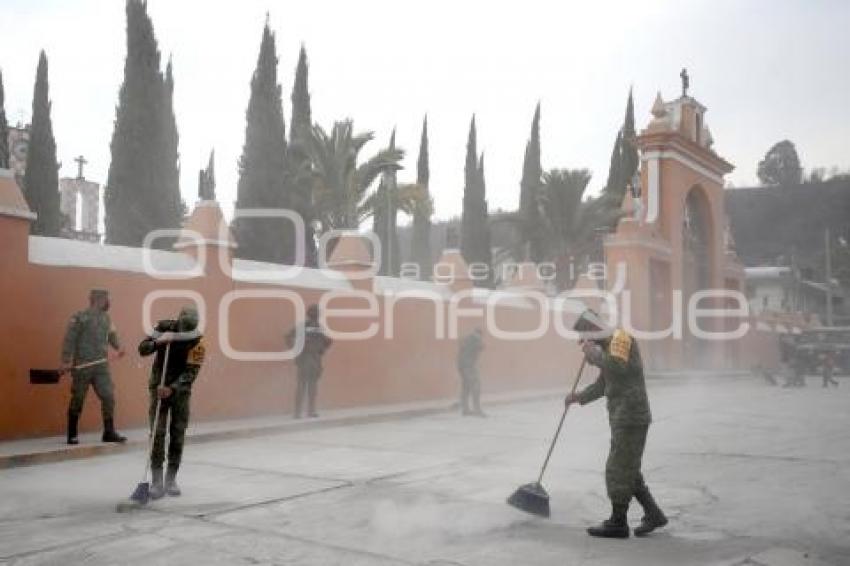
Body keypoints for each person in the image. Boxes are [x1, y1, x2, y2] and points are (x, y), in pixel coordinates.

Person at [565, 310, 667, 538]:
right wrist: (578, 397)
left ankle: (618, 522)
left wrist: (594, 355)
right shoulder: (607, 346)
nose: (586, 342)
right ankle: (654, 514)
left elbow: (618, 367)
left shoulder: (620, 339)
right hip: (622, 417)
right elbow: (603, 384)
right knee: (628, 470)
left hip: (631, 416)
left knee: (617, 469)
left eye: (586, 337)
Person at [138, 306, 205, 499]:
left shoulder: (198, 340)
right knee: (158, 433)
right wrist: (159, 342)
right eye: (183, 328)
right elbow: (142, 349)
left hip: (180, 392)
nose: (185, 332)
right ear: (178, 321)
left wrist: (173, 388)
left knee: (177, 433)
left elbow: (191, 372)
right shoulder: (163, 326)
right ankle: (157, 481)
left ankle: (171, 479)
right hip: (158, 387)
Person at [60, 289, 127, 445]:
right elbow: (69, 339)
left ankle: (109, 432)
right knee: (78, 398)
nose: (108, 302)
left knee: (109, 396)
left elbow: (112, 336)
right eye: (106, 299)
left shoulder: (106, 319)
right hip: (83, 365)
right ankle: (72, 434)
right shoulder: (79, 318)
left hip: (101, 366)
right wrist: (65, 360)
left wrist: (119, 347)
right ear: (97, 300)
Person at [286, 305, 332, 419]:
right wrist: (298, 347)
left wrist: (322, 348)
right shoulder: (304, 326)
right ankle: (299, 412)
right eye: (315, 314)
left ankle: (308, 411)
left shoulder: (318, 328)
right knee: (303, 386)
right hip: (305, 359)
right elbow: (288, 337)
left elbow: (327, 342)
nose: (316, 316)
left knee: (311, 386)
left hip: (314, 360)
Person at [457, 328, 485, 416]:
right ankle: (477, 410)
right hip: (469, 366)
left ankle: (465, 409)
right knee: (476, 386)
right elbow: (482, 346)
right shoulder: (476, 338)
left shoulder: (466, 338)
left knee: (466, 387)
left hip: (461, 365)